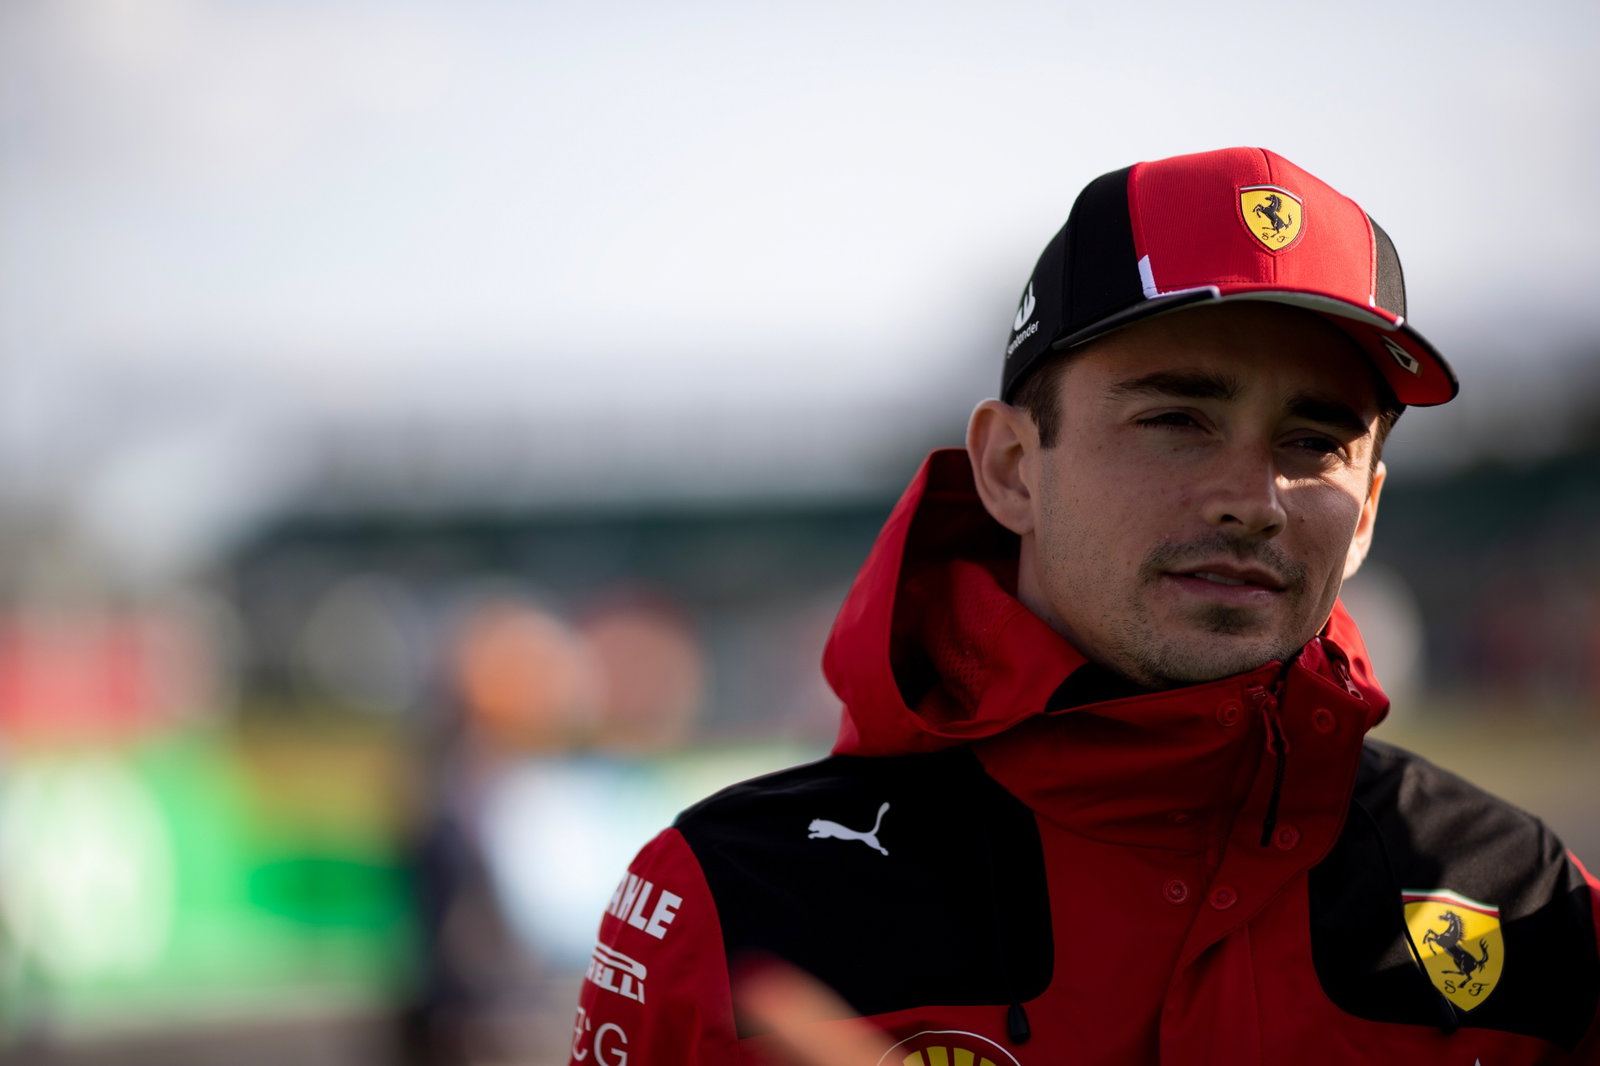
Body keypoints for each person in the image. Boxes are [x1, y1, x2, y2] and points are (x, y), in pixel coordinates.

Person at [565, 146, 1600, 1065]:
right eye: (1176, 419)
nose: (1251, 499)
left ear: (1366, 510)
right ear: (1012, 466)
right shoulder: (728, 905)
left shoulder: (1533, 906)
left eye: (1313, 442)